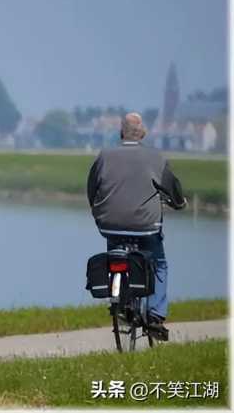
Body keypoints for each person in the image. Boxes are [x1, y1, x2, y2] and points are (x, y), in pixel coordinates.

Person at [87, 112, 186, 338]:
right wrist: (179, 203)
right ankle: (155, 315)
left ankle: (120, 300)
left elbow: (92, 187)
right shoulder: (155, 157)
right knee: (158, 263)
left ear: (121, 132)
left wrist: (97, 209)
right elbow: (172, 188)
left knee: (116, 255)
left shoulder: (104, 156)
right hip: (146, 225)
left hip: (110, 224)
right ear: (142, 134)